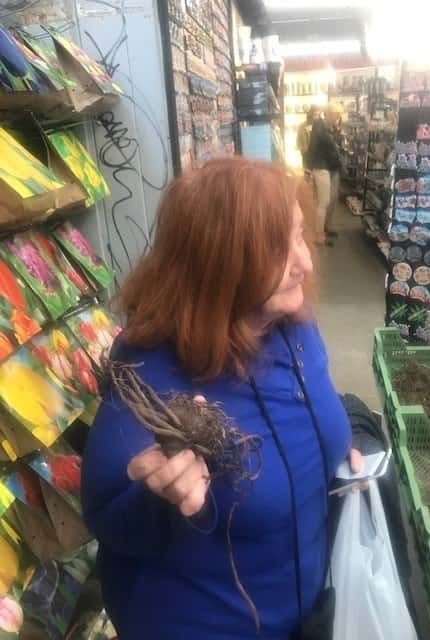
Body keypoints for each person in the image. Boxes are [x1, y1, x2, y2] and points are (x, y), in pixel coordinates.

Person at [81, 157, 362, 640]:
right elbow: (106, 516)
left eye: (299, 236)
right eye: (278, 249)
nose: (305, 263)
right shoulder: (151, 368)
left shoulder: (294, 326)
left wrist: (350, 433)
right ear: (222, 263)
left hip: (305, 614)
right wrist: (161, 501)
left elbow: (312, 404)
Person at [307, 104, 343, 246]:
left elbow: (336, 146)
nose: (337, 118)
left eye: (338, 116)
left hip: (331, 166)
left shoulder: (331, 128)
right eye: (335, 115)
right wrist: (309, 167)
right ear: (328, 113)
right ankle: (318, 235)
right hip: (320, 166)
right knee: (323, 202)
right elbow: (313, 147)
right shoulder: (319, 125)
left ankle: (325, 228)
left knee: (331, 200)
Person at [296, 106, 321, 172]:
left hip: (318, 155)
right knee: (307, 173)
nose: (316, 117)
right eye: (315, 114)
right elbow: (298, 139)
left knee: (317, 174)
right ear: (310, 114)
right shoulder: (302, 126)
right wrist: (303, 150)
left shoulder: (321, 125)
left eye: (318, 115)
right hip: (306, 154)